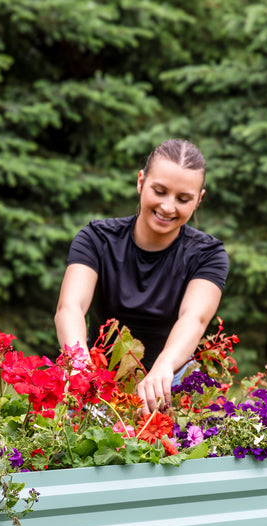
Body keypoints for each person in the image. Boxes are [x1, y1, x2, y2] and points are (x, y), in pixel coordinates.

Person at [54, 138, 229, 414]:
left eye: (183, 199)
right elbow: (70, 308)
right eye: (159, 191)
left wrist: (163, 367)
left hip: (172, 378)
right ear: (140, 182)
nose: (168, 207)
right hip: (98, 377)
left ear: (199, 200)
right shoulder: (96, 239)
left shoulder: (208, 254)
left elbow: (194, 319)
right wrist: (80, 369)